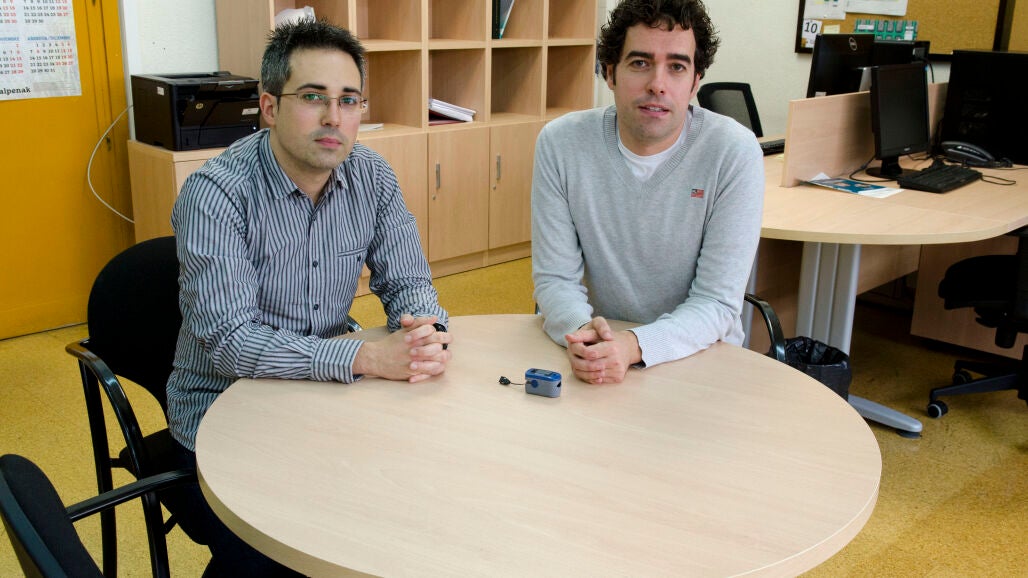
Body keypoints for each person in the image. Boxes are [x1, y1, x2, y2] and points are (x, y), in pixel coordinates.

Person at [164, 19, 451, 576]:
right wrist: (366, 357)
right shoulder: (216, 195)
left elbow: (409, 282)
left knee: (415, 500)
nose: (333, 118)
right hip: (224, 413)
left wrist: (426, 332)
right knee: (293, 551)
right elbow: (232, 343)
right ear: (270, 107)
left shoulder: (371, 176)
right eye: (313, 97)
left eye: (349, 100)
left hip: (325, 399)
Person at [531, 0, 764, 385]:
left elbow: (716, 302)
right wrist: (585, 336)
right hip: (593, 355)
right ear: (610, 73)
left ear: (695, 81)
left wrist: (633, 346)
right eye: (640, 63)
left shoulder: (733, 152)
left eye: (677, 67)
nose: (658, 84)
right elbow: (554, 280)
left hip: (698, 358)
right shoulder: (561, 143)